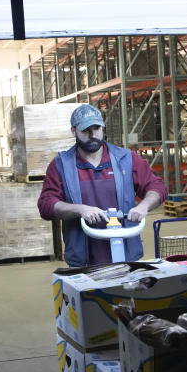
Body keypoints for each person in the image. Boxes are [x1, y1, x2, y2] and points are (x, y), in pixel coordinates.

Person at [38, 104, 168, 266]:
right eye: (86, 130)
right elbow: (46, 205)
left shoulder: (126, 159)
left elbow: (157, 187)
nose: (93, 134)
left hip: (126, 255)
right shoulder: (61, 165)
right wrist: (80, 209)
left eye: (97, 128)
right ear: (74, 131)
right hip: (83, 260)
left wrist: (143, 206)